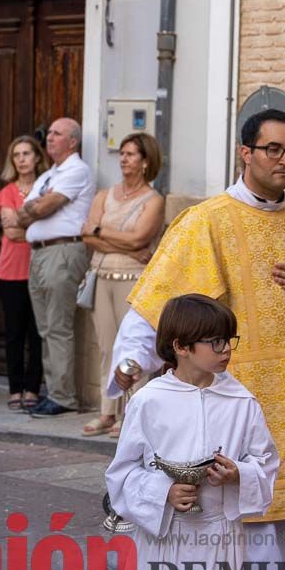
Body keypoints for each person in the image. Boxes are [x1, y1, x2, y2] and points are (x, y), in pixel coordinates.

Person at [107, 109, 285, 570]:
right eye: (274, 150)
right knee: (223, 524)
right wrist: (130, 359)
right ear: (247, 153)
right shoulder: (207, 220)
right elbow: (158, 299)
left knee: (277, 511)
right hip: (222, 399)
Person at [106, 294, 278, 570]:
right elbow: (122, 473)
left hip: (220, 538)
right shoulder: (149, 402)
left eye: (228, 340)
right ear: (181, 347)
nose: (226, 349)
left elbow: (265, 462)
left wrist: (238, 473)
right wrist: (164, 492)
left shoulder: (242, 402)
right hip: (166, 536)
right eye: (215, 342)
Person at [0, 118, 96, 416]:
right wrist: (32, 210)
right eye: (50, 133)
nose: (49, 138)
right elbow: (17, 220)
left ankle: (63, 396)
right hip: (39, 254)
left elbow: (39, 208)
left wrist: (33, 209)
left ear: (73, 141)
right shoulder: (48, 175)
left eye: (57, 134)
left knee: (57, 327)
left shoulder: (77, 170)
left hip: (62, 251)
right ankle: (54, 391)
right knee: (46, 329)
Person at [81, 133, 165, 437]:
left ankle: (131, 413)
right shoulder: (104, 195)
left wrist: (102, 230)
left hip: (135, 282)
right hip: (101, 276)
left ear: (146, 161)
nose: (124, 159)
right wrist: (126, 246)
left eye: (131, 154)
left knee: (133, 347)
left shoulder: (154, 200)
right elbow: (86, 236)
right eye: (123, 153)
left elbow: (140, 238)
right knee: (106, 347)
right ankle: (107, 412)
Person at [0, 136, 49, 411]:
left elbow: (21, 227)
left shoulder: (46, 188)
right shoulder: (7, 192)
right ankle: (15, 388)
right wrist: (37, 226)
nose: (22, 159)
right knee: (14, 333)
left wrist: (24, 225)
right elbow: (10, 230)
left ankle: (33, 387)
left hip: (39, 269)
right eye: (16, 155)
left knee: (37, 333)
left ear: (37, 157)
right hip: (10, 272)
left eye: (27, 153)